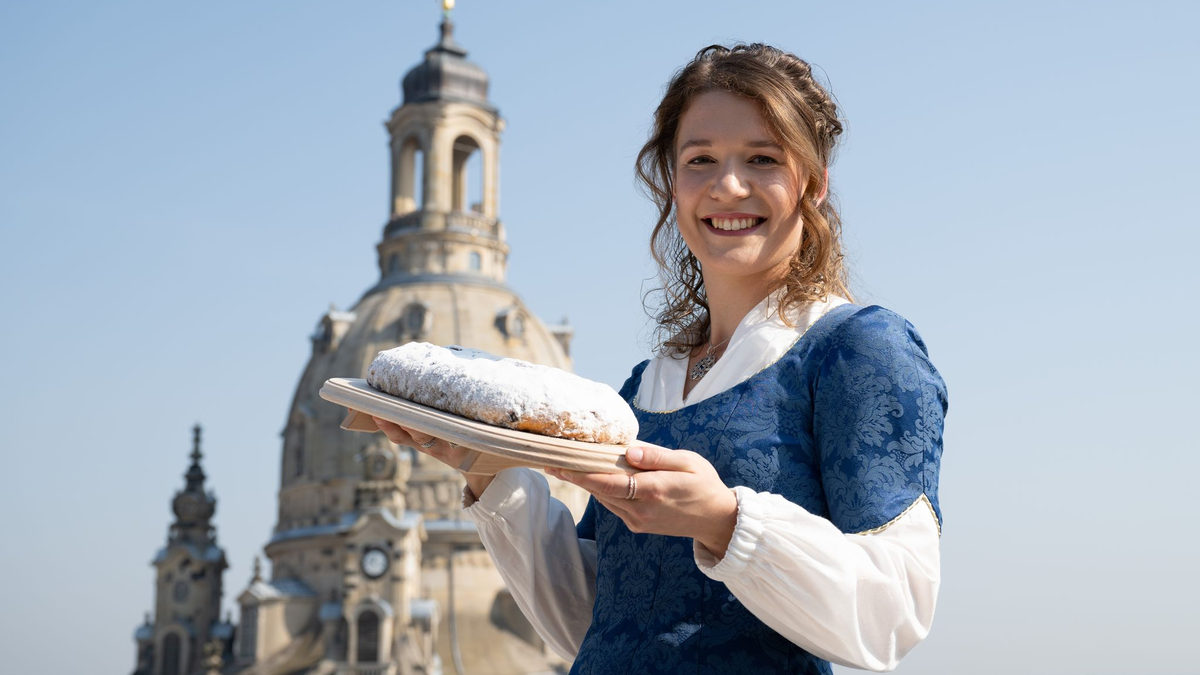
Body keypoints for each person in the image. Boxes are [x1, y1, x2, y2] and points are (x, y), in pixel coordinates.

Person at [374, 43, 947, 675]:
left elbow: (895, 614)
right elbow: (594, 622)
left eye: (762, 158)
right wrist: (487, 468)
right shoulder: (649, 384)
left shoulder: (859, 349)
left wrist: (725, 520)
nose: (728, 186)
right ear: (672, 184)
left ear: (812, 181)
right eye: (701, 160)